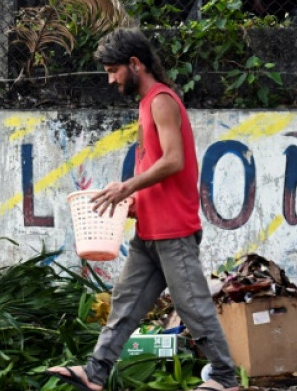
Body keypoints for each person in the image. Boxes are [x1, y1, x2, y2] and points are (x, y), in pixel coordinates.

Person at [46, 28, 239, 391]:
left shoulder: (162, 101)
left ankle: (226, 380)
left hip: (174, 231)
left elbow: (174, 160)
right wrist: (133, 202)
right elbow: (155, 167)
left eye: (113, 70)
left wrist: (126, 187)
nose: (110, 79)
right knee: (124, 305)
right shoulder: (146, 104)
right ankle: (95, 373)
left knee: (195, 308)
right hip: (149, 230)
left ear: (135, 63)